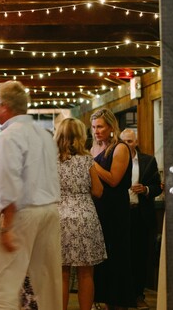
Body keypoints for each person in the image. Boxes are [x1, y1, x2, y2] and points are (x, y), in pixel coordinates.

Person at [0, 80, 62, 310]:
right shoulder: (44, 135)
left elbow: (8, 179)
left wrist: (7, 226)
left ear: (5, 106)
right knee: (48, 284)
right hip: (50, 211)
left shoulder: (9, 136)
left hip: (22, 213)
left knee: (5, 282)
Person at [55, 118, 107, 310]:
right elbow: (98, 190)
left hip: (59, 217)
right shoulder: (87, 160)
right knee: (86, 273)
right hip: (85, 216)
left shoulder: (51, 161)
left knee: (61, 272)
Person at [90, 108, 136, 310]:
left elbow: (114, 180)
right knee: (102, 256)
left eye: (100, 126)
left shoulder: (120, 148)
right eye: (93, 127)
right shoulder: (94, 148)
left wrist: (90, 163)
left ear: (111, 127)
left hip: (116, 209)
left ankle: (119, 301)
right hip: (98, 208)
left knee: (117, 255)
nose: (96, 131)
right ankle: (104, 299)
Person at [119, 129, 162, 309]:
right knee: (121, 257)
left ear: (136, 142)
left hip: (140, 215)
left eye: (129, 141)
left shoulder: (148, 161)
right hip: (120, 215)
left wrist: (145, 189)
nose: (126, 145)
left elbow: (157, 186)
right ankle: (121, 297)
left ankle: (138, 295)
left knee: (140, 257)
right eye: (123, 141)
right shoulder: (114, 160)